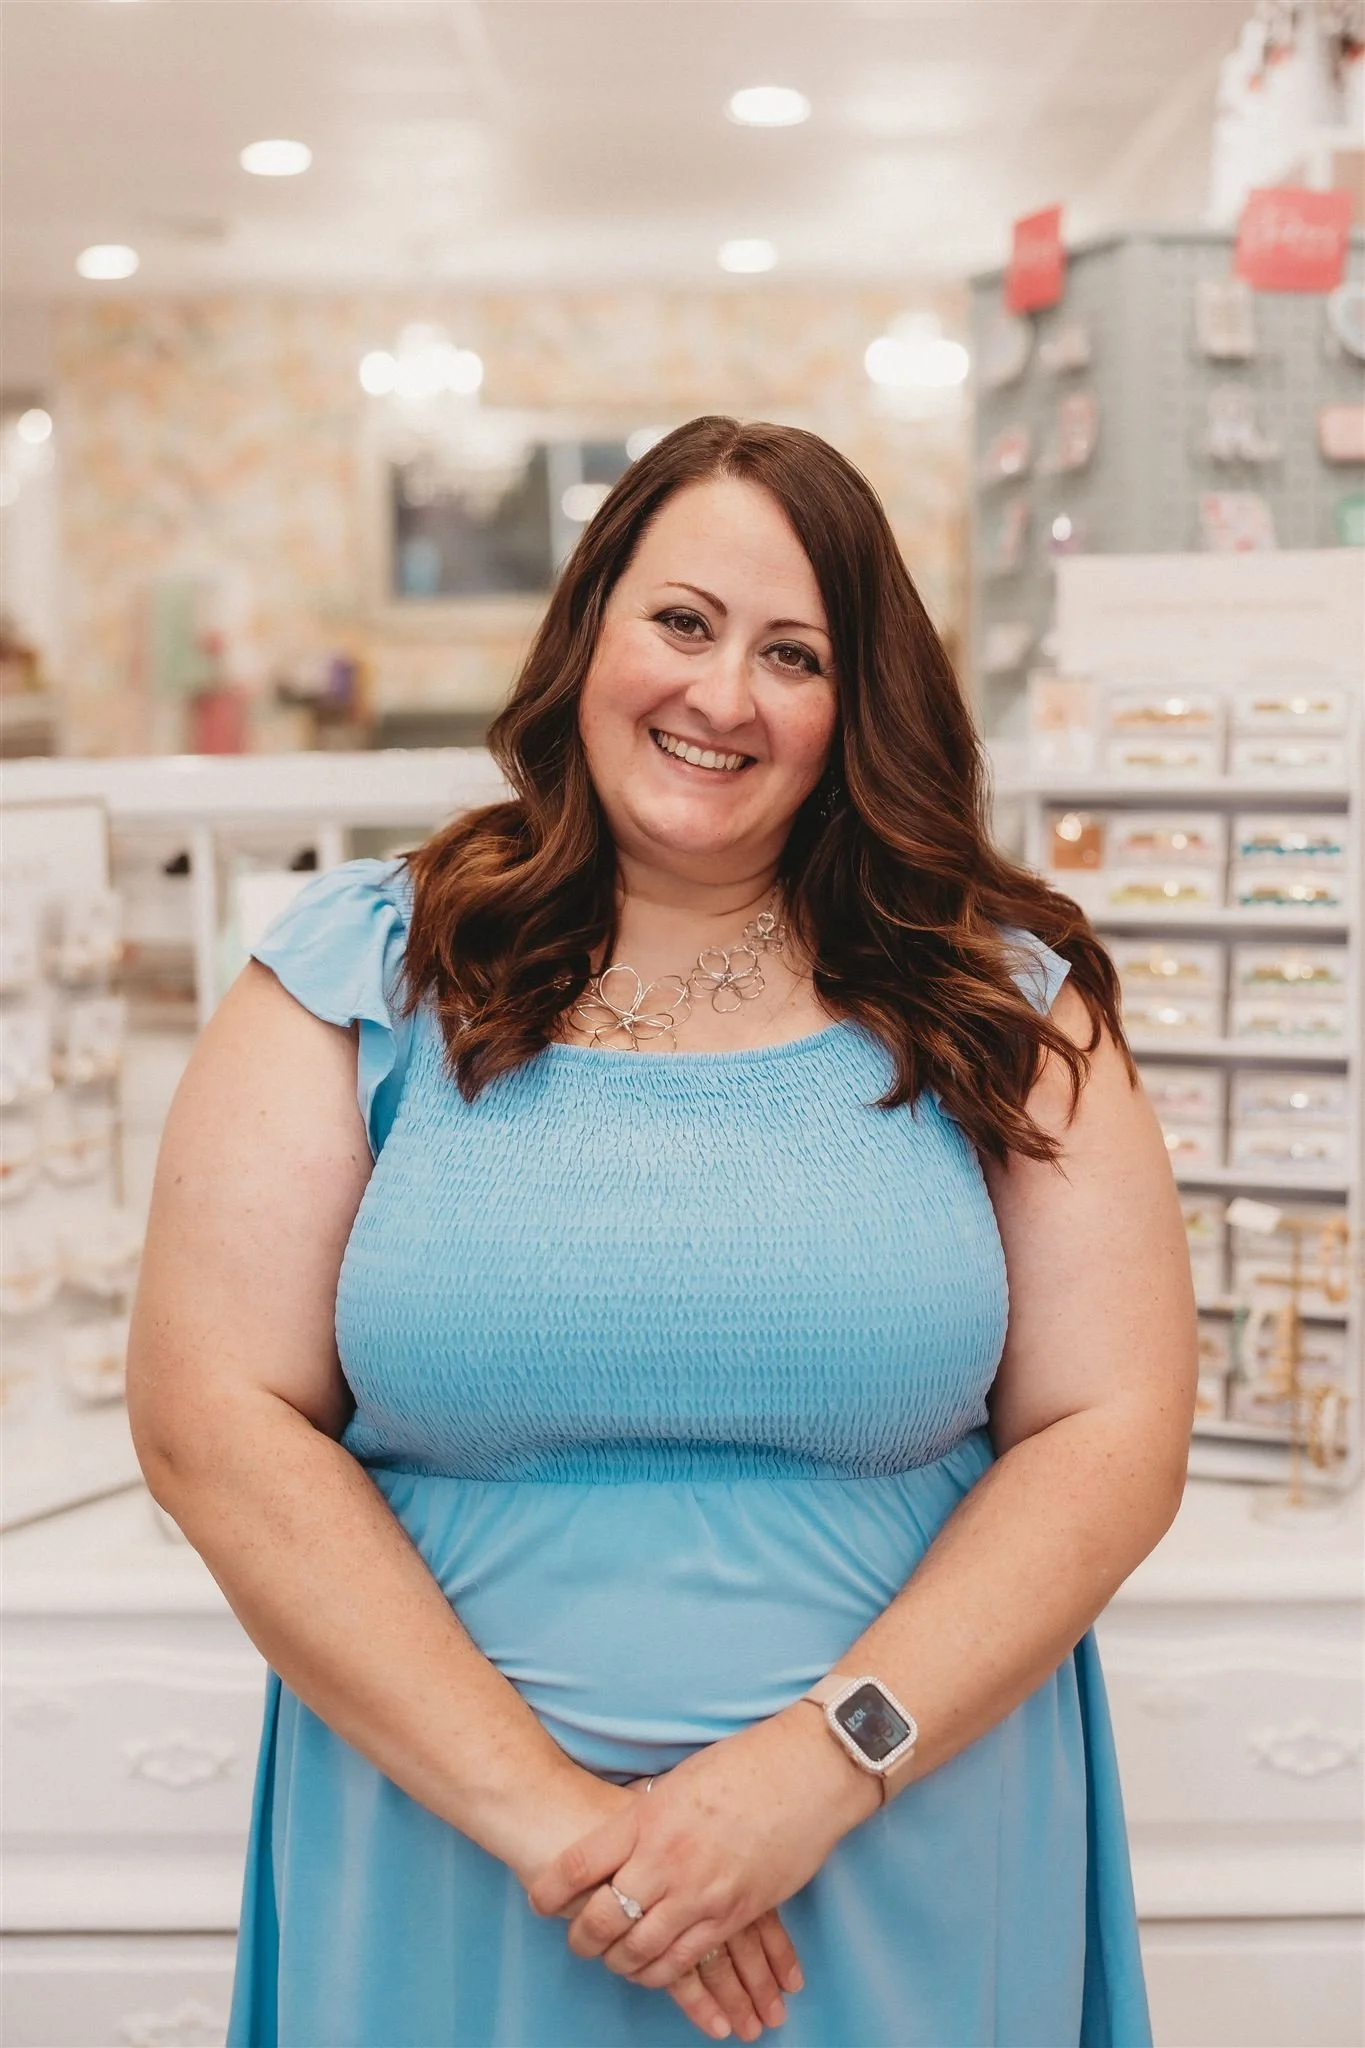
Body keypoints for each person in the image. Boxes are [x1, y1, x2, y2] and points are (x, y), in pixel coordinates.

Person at [128, 415, 1196, 2048]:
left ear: (856, 713)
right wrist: (565, 1832)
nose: (721, 695)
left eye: (794, 654)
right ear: (590, 631)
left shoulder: (998, 1000)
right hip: (456, 1865)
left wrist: (820, 1767)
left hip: (900, 1849)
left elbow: (1115, 1432)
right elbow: (212, 1418)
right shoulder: (362, 974)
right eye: (682, 623)